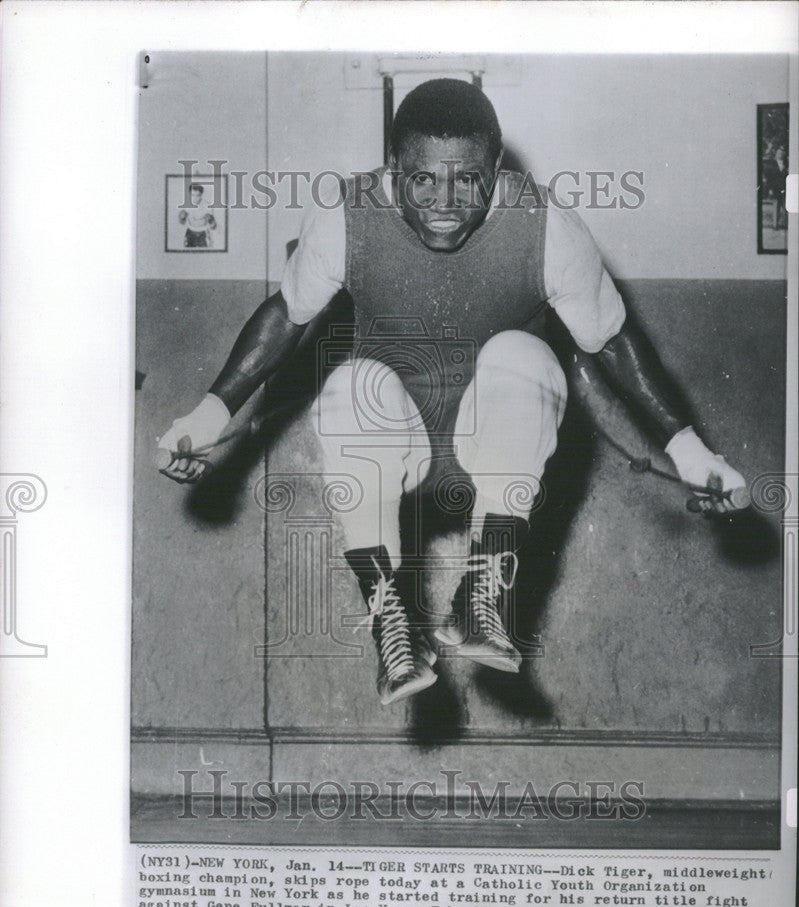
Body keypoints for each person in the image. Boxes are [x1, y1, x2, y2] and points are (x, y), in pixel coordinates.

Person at [157, 79, 746, 707]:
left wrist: (692, 454)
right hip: (395, 447)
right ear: (392, 169)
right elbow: (288, 317)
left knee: (523, 353)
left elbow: (611, 343)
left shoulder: (547, 227)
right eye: (423, 181)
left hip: (495, 445)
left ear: (494, 168)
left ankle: (483, 588)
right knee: (352, 382)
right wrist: (207, 414)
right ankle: (392, 620)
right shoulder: (345, 217)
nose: (446, 202)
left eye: (468, 180)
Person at [178, 182, 217, 248]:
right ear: (190, 194)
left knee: (205, 255)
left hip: (203, 234)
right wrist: (181, 218)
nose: (195, 198)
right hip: (190, 234)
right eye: (193, 195)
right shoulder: (186, 204)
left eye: (198, 195)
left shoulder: (207, 205)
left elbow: (214, 226)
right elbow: (182, 223)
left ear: (201, 195)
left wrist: (211, 220)